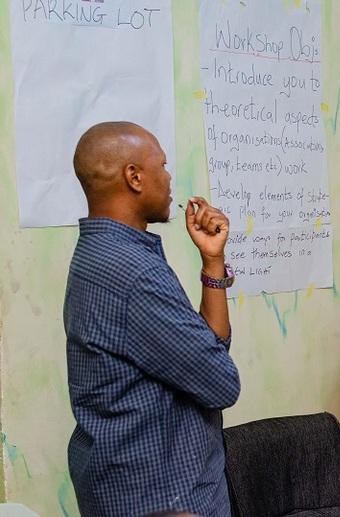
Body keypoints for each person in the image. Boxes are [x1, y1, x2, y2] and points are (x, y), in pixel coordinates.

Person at [64, 121, 241, 516]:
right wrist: (214, 361)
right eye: (162, 164)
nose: (169, 176)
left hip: (129, 488)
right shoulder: (132, 274)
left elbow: (209, 351)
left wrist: (213, 260)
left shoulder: (100, 253)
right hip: (165, 500)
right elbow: (222, 383)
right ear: (135, 177)